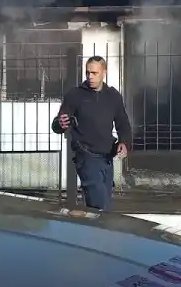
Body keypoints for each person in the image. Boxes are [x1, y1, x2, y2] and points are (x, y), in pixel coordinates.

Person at [52, 55, 133, 211]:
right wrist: (59, 123)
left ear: (104, 72)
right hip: (86, 157)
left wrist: (124, 143)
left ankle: (92, 234)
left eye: (94, 73)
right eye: (88, 72)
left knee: (103, 208)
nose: (90, 76)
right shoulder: (75, 95)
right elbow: (58, 124)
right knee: (99, 206)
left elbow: (123, 124)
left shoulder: (113, 96)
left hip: (107, 159)